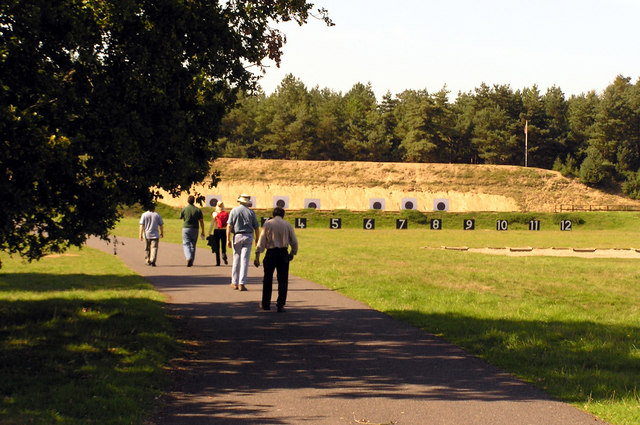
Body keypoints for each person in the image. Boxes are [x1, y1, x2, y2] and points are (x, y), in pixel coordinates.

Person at [254, 207, 298, 312]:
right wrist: (292, 253)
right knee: (283, 280)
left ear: (273, 214)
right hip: (283, 253)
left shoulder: (268, 224)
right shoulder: (287, 225)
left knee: (267, 279)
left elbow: (261, 241)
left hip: (271, 253)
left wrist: (257, 256)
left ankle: (266, 304)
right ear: (283, 215)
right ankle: (280, 304)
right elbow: (294, 242)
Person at [226, 194, 260, 291]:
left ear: (240, 201)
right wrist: (257, 239)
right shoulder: (251, 212)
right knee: (245, 260)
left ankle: (234, 282)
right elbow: (256, 227)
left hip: (237, 236)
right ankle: (242, 283)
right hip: (248, 236)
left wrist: (228, 239)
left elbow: (229, 226)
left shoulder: (234, 211)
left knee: (236, 258)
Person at [179, 195, 205, 267]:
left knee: (186, 243)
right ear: (194, 201)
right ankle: (192, 260)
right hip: (195, 228)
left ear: (188, 201)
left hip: (186, 228)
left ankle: (188, 257)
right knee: (193, 245)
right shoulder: (198, 210)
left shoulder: (184, 209)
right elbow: (201, 221)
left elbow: (180, 217)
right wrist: (203, 231)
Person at [207, 201, 229, 266]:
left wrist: (209, 232)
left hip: (217, 230)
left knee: (217, 246)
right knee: (223, 245)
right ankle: (223, 254)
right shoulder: (226, 213)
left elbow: (212, 223)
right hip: (224, 230)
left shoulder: (215, 213)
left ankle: (218, 261)